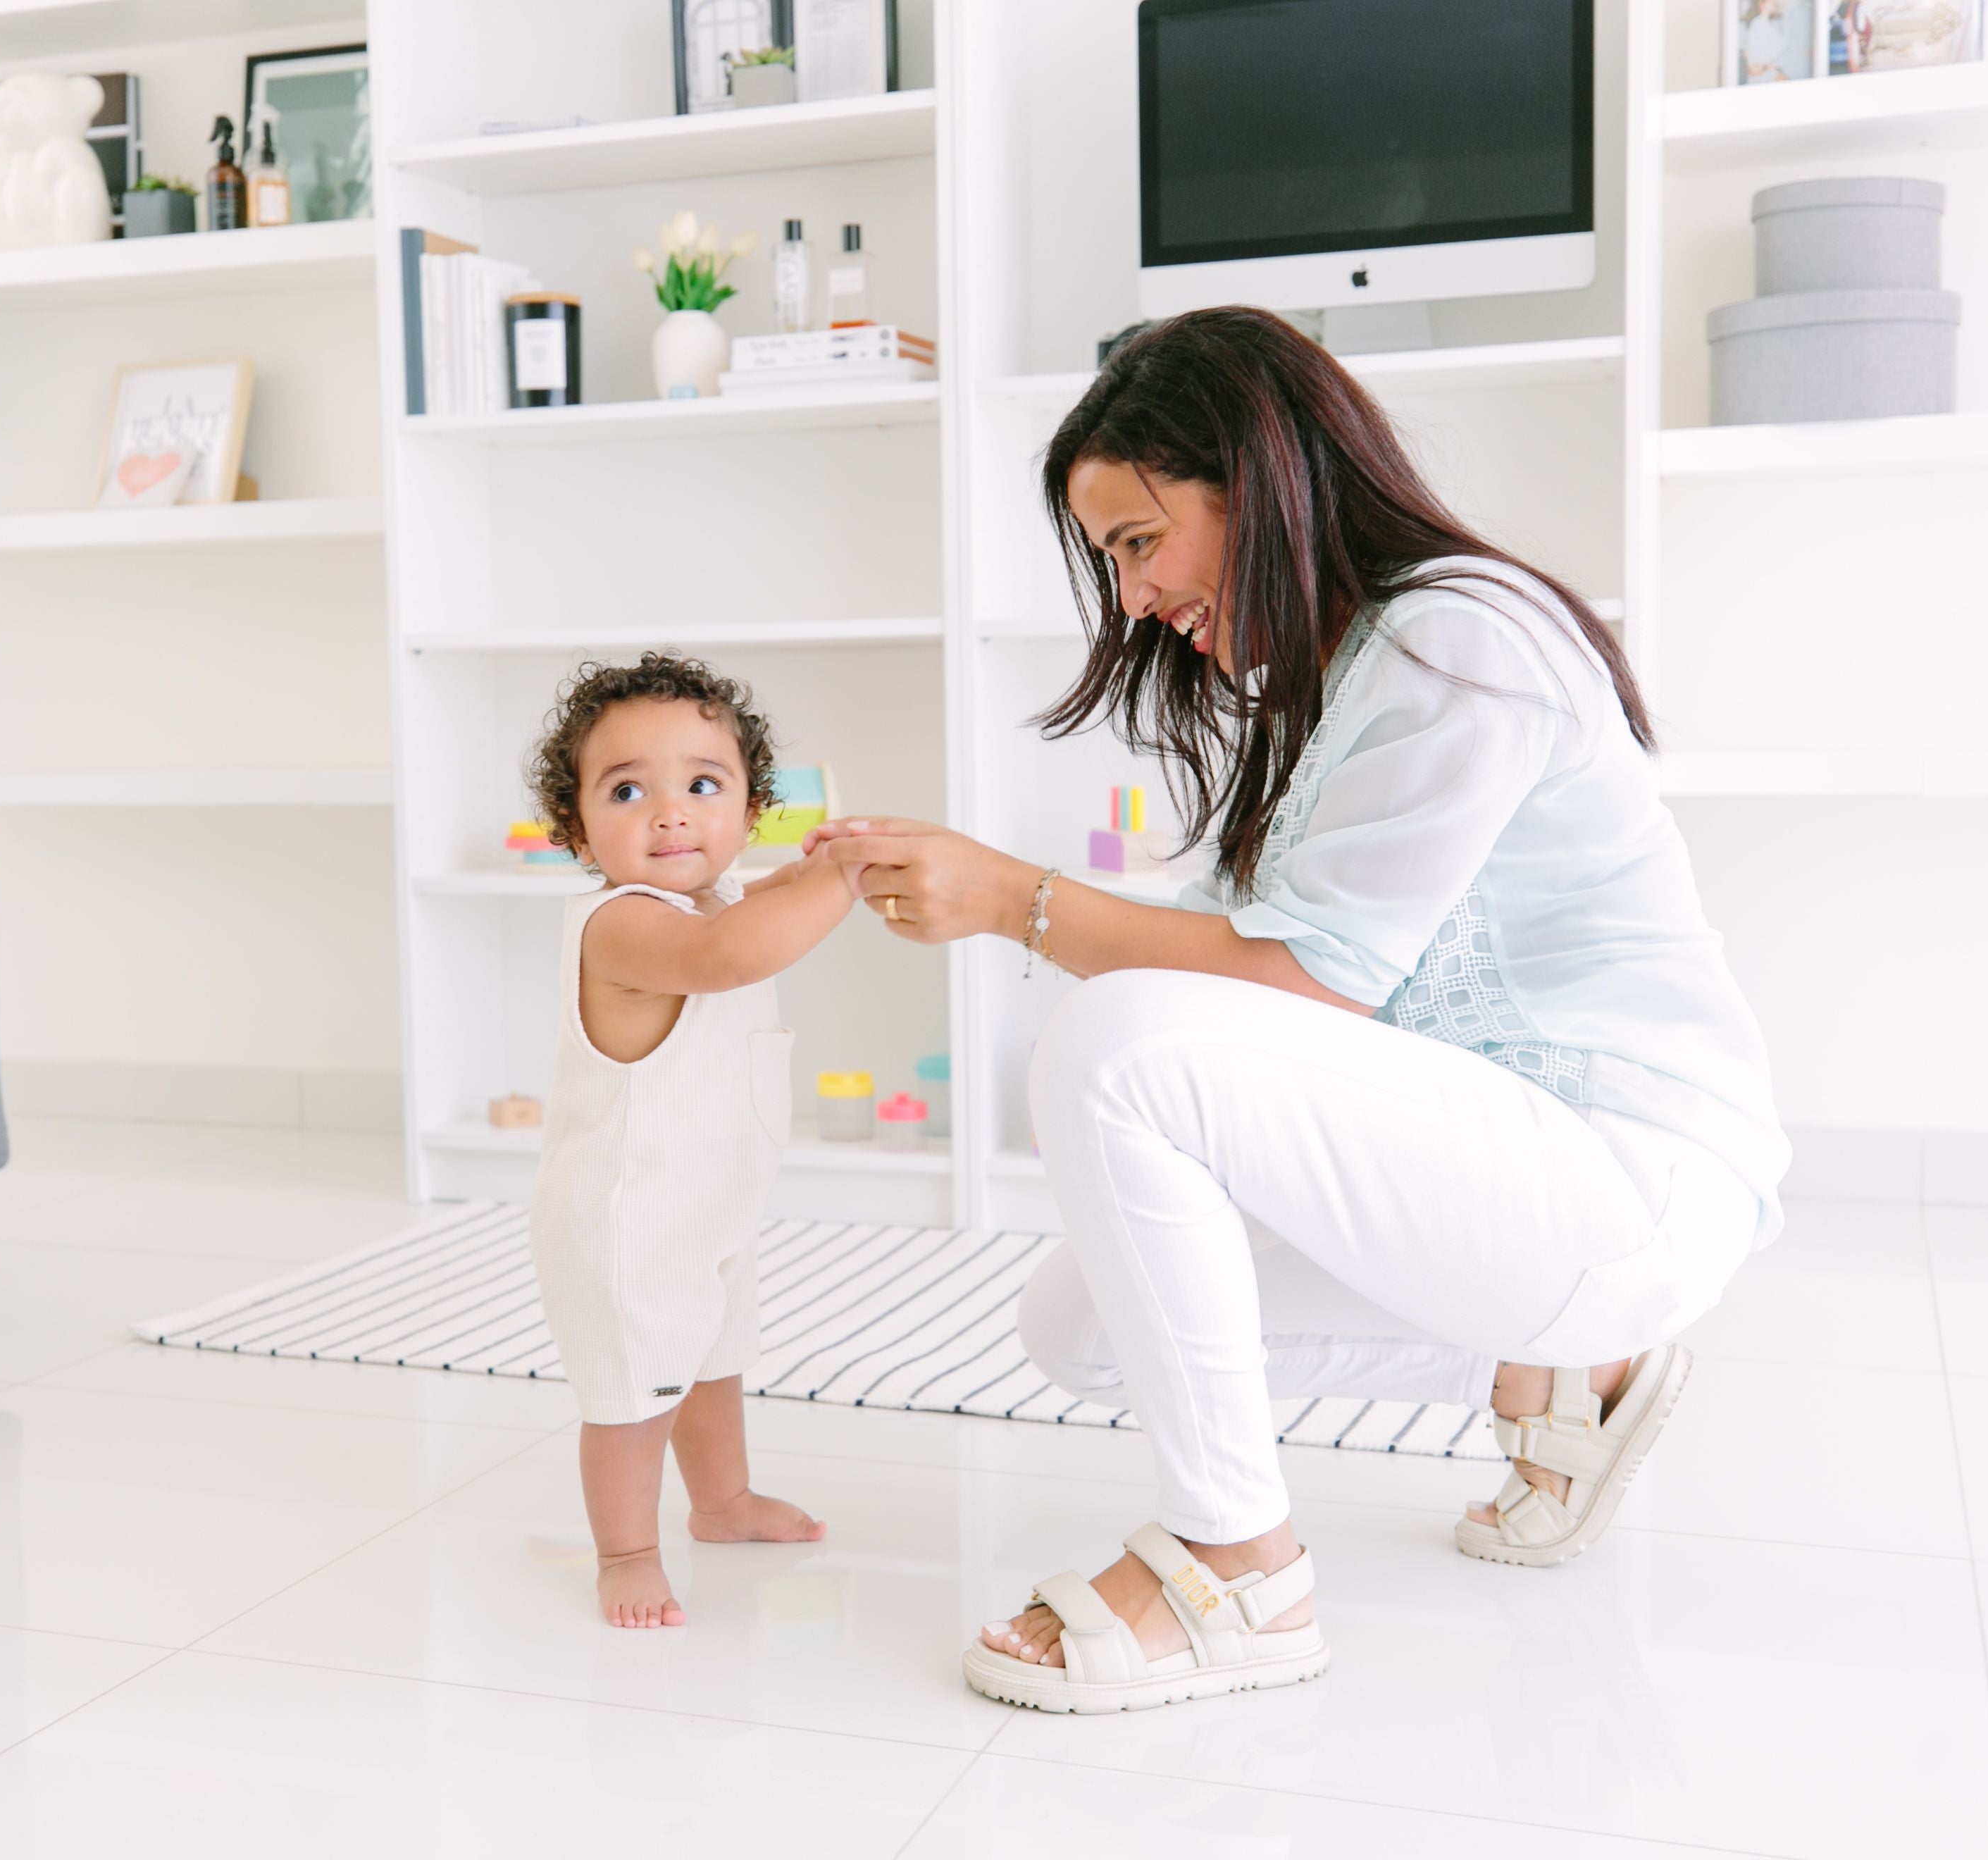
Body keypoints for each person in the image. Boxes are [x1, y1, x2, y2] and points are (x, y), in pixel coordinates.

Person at [812, 308, 1789, 1714]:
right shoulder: (1322, 692)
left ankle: (1239, 1573)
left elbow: (1297, 992)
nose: (1132, 599)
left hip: (1626, 1170)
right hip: (1519, 1176)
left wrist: (1013, 899)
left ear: (1255, 477)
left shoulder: (1462, 638)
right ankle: (1574, 1363)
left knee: (1112, 1046)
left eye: (1140, 542)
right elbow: (1228, 972)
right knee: (1078, 1326)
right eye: (1112, 563)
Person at [522, 655, 853, 1628]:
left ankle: (723, 1502)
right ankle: (625, 1550)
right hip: (629, 1218)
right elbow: (728, 957)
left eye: (702, 786)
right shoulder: (623, 924)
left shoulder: (722, 901)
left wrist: (803, 876)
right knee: (636, 1391)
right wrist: (838, 881)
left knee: (714, 1360)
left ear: (749, 812)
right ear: (579, 828)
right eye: (629, 790)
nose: (670, 813)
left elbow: (746, 922)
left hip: (714, 1201)